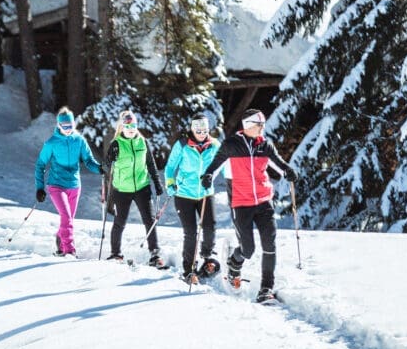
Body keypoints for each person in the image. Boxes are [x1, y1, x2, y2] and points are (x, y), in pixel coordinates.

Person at [201, 109, 296, 304]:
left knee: (270, 244)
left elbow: (279, 163)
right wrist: (208, 176)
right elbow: (215, 165)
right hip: (241, 203)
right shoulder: (232, 145)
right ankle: (234, 263)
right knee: (248, 250)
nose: (262, 128)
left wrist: (288, 171)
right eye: (259, 125)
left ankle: (266, 289)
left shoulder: (265, 145)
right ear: (248, 125)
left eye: (262, 125)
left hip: (263, 201)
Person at [104, 109, 168, 268]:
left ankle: (155, 254)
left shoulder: (142, 142)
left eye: (133, 125)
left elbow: (151, 164)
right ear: (122, 127)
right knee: (120, 222)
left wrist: (157, 183)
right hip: (121, 190)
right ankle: (115, 253)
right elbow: (107, 168)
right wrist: (108, 160)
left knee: (150, 220)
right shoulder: (116, 144)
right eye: (127, 126)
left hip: (142, 187)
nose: (131, 128)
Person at [35, 107, 101, 257]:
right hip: (56, 185)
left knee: (68, 219)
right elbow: (40, 164)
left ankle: (60, 238)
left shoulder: (79, 140)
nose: (68, 129)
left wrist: (100, 168)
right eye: (64, 126)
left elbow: (89, 161)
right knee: (66, 217)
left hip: (74, 186)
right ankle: (69, 250)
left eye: (70, 125)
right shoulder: (51, 143)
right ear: (59, 125)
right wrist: (40, 187)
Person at [164, 111, 221, 285]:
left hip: (205, 193)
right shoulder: (182, 145)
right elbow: (170, 167)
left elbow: (222, 165)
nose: (202, 133)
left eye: (204, 130)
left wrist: (211, 177)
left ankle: (206, 256)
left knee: (210, 228)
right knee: (191, 233)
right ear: (192, 129)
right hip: (184, 194)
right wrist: (171, 183)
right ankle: (189, 270)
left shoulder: (215, 145)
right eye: (198, 130)